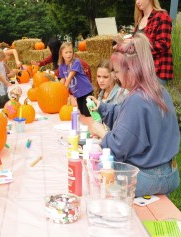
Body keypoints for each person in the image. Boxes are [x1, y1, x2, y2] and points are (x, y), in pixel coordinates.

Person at [88, 33, 180, 197]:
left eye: (116, 71)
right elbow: (127, 116)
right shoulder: (159, 90)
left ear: (130, 70)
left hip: (147, 178)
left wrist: (103, 133)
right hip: (170, 173)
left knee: (95, 170)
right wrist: (102, 108)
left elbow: (119, 147)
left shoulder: (136, 99)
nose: (116, 76)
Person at [134, 0, 173, 85]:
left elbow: (163, 44)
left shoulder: (162, 16)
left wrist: (137, 45)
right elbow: (137, 41)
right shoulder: (140, 19)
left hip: (156, 70)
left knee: (151, 98)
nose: (137, 2)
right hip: (141, 69)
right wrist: (123, 43)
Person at [59, 42, 93, 117]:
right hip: (78, 93)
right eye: (66, 52)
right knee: (82, 112)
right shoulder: (61, 66)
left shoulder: (76, 62)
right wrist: (59, 90)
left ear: (73, 53)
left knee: (88, 113)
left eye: (70, 52)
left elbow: (70, 77)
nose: (69, 54)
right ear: (61, 54)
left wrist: (64, 89)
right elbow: (63, 79)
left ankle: (99, 108)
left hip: (86, 90)